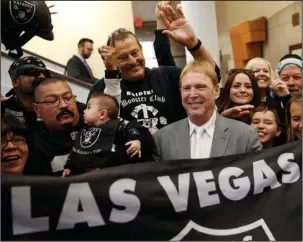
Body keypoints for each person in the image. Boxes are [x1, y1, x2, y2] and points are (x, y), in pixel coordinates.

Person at [88, 3, 221, 134]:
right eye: (123, 57)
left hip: (174, 153)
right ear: (113, 60)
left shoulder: (168, 76)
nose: (133, 61)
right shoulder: (101, 89)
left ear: (141, 49)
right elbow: (96, 132)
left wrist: (193, 43)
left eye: (135, 53)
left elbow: (212, 75)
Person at [153, 60, 262, 161]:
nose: (193, 94)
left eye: (200, 87)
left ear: (216, 91)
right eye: (187, 88)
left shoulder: (245, 136)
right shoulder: (163, 139)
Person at [62, 93, 153, 177]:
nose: (84, 111)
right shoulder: (83, 127)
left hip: (110, 174)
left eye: (88, 108)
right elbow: (76, 150)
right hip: (83, 175)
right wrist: (69, 167)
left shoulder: (117, 125)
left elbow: (132, 128)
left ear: (102, 114)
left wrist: (136, 140)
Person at [1, 56, 50, 130]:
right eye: (33, 72)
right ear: (15, 82)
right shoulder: (3, 109)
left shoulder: (53, 109)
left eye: (45, 73)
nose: (42, 76)